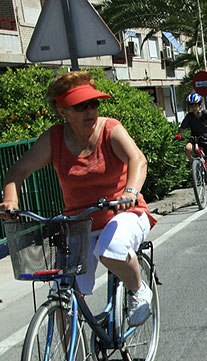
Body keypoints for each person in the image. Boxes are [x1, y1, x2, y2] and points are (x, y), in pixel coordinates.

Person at [0, 71, 155, 326]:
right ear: (62, 111)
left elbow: (138, 160)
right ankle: (70, 353)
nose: (90, 111)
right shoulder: (54, 139)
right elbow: (17, 171)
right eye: (80, 106)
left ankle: (137, 290)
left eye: (93, 103)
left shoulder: (110, 129)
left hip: (123, 213)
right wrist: (10, 199)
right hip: (79, 224)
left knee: (110, 250)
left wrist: (130, 191)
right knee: (62, 295)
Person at [178, 93, 207, 195]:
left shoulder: (204, 113)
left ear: (200, 105)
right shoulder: (189, 116)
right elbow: (182, 127)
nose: (193, 107)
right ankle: (195, 166)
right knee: (187, 148)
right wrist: (178, 134)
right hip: (195, 138)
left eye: (195, 105)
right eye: (191, 105)